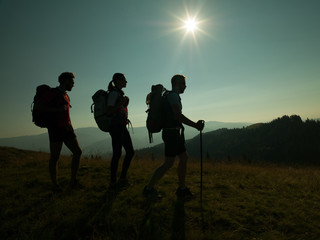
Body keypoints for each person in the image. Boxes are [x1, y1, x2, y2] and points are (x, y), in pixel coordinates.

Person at [144, 74, 204, 199]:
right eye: (183, 83)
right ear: (177, 84)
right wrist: (195, 125)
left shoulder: (170, 96)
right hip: (171, 134)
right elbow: (178, 116)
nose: (185, 86)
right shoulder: (172, 96)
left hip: (174, 133)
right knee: (168, 163)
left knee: (183, 158)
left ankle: (181, 189)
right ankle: (149, 188)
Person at [35, 72, 82, 191]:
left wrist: (70, 125)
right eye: (71, 82)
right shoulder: (52, 93)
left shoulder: (66, 95)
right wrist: (57, 109)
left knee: (78, 152)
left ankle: (73, 181)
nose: (73, 84)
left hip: (67, 128)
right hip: (55, 128)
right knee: (55, 157)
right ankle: (55, 185)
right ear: (65, 81)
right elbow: (38, 107)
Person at [106, 73, 134, 190]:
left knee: (129, 152)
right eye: (124, 80)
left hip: (121, 126)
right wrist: (120, 103)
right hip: (116, 127)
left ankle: (121, 179)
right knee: (118, 154)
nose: (126, 82)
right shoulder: (113, 94)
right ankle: (114, 182)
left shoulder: (118, 93)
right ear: (118, 81)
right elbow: (109, 111)